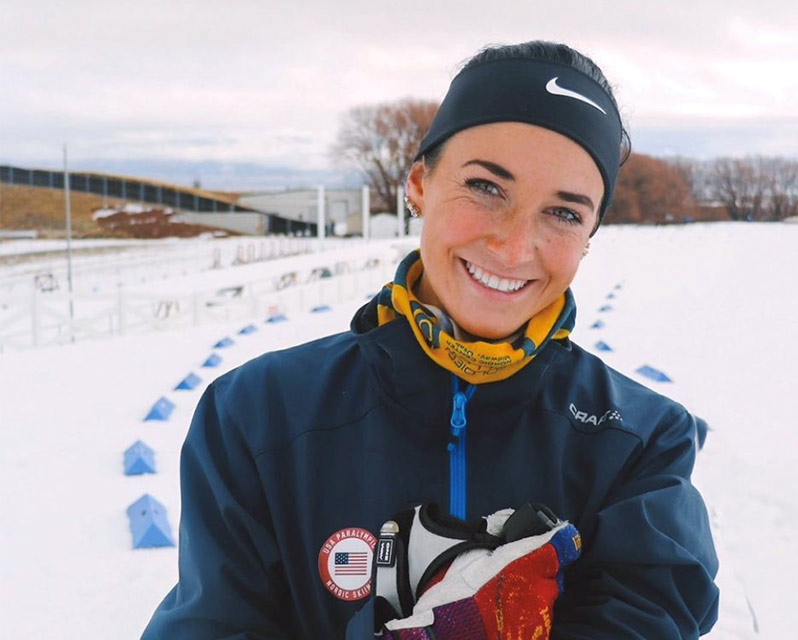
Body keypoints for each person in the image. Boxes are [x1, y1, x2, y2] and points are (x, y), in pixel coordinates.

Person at [142, 40, 719, 639]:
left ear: (591, 235)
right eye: (487, 187)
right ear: (419, 183)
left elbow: (651, 613)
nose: (515, 247)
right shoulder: (257, 414)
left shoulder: (640, 442)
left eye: (565, 214)